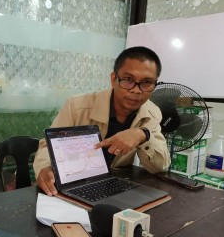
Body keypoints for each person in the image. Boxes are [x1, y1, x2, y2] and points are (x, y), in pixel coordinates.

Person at [34, 46, 170, 196]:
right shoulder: (77, 106)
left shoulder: (151, 113)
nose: (136, 90)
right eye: (128, 80)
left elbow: (160, 166)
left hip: (116, 188)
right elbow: (47, 145)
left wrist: (143, 135)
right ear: (113, 79)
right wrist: (45, 167)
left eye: (146, 82)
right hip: (71, 185)